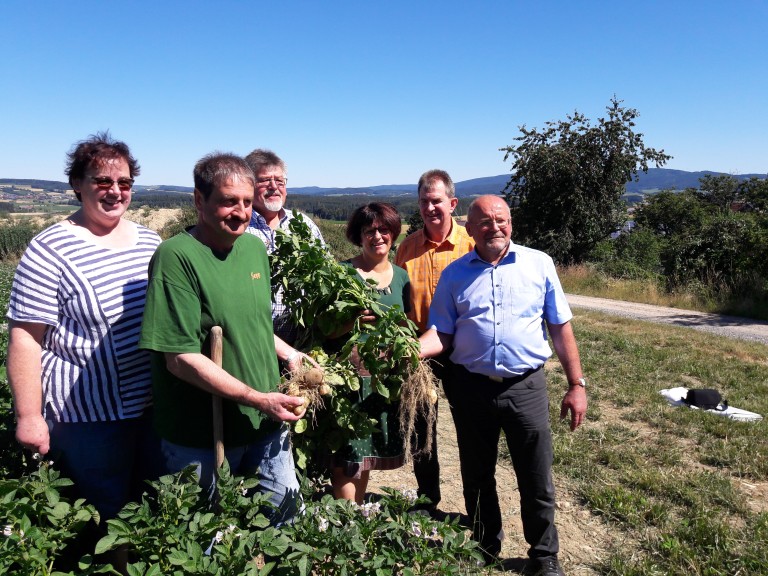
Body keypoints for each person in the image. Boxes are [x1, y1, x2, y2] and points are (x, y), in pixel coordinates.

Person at [419, 195, 587, 576]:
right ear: (470, 226)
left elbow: (560, 328)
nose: (494, 227)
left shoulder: (538, 264)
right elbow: (441, 333)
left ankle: (543, 555)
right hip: (470, 388)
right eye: (485, 221)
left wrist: (576, 384)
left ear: (511, 222)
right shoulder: (455, 274)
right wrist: (409, 352)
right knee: (477, 473)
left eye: (502, 219)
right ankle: (485, 544)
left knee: (536, 474)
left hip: (525, 387)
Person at [139, 152, 309, 525]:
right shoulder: (176, 257)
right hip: (202, 434)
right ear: (199, 200)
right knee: (209, 540)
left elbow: (255, 325)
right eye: (229, 201)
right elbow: (180, 358)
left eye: (247, 202)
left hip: (265, 423)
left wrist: (291, 354)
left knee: (286, 522)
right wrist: (256, 397)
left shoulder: (252, 248)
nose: (241, 212)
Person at [6, 132, 162, 521]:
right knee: (104, 515)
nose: (115, 191)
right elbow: (26, 338)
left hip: (152, 406)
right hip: (87, 416)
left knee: (150, 504)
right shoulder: (51, 249)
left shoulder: (150, 242)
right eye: (102, 181)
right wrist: (29, 416)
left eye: (124, 183)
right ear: (78, 185)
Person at [394, 169, 473, 514]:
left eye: (436, 200)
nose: (430, 208)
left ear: (452, 203)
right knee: (421, 429)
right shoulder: (408, 248)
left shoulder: (472, 245)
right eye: (424, 201)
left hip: (464, 351)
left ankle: (478, 507)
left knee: (470, 430)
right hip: (420, 353)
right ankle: (428, 500)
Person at [325, 202, 411, 504]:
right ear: (358, 236)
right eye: (369, 231)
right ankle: (347, 523)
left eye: (384, 230)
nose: (377, 236)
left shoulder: (401, 278)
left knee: (366, 455)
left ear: (393, 234)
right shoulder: (344, 273)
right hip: (350, 381)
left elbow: (406, 325)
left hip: (384, 383)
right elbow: (326, 330)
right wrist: (351, 320)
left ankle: (354, 518)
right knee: (348, 457)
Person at [244, 149, 325, 345]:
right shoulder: (239, 226)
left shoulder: (304, 225)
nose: (274, 187)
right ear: (248, 185)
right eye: (265, 181)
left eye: (280, 181)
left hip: (301, 337)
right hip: (249, 337)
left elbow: (324, 269)